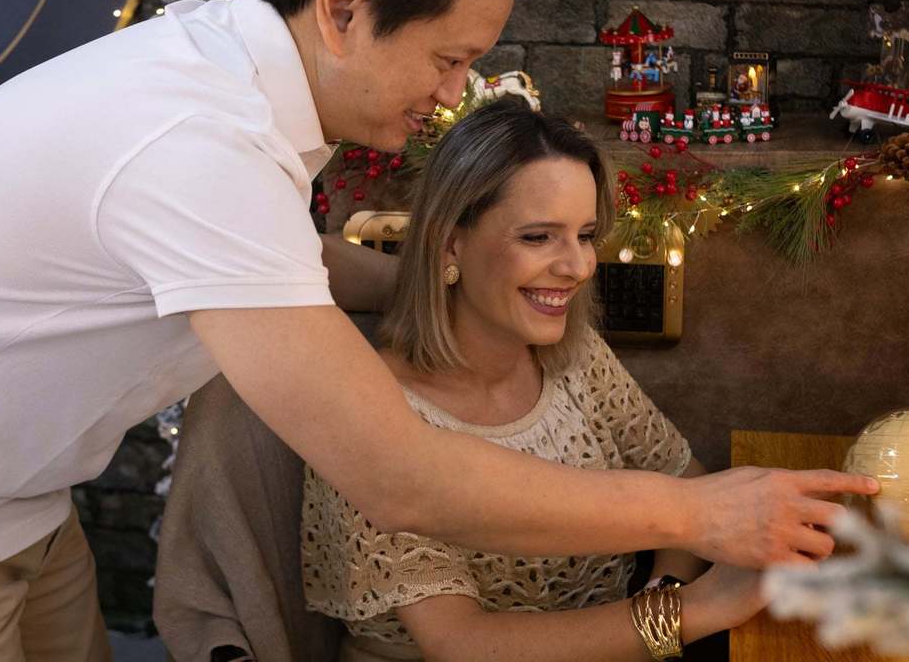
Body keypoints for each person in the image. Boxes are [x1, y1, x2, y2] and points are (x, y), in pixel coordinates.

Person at [0, 0, 875, 659]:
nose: (456, 92)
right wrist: (699, 514)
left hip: (20, 502)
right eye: (449, 58)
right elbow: (400, 474)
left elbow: (285, 259)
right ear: (341, 7)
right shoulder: (194, 139)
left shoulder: (238, 78)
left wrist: (435, 279)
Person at [299, 102, 768, 662]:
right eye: (539, 237)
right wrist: (695, 610)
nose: (578, 266)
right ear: (451, 245)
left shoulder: (572, 356)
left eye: (586, 235)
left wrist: (659, 599)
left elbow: (681, 477)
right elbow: (461, 643)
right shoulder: (373, 415)